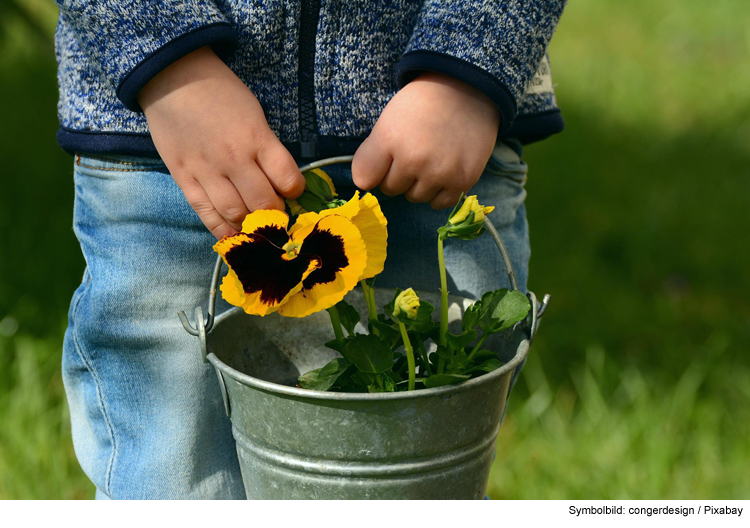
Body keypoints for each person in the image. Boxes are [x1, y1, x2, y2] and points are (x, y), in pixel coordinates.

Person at [55, 0, 566, 499]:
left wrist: (469, 63)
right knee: (172, 469)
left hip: (441, 135)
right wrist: (166, 57)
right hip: (176, 137)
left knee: (423, 468)